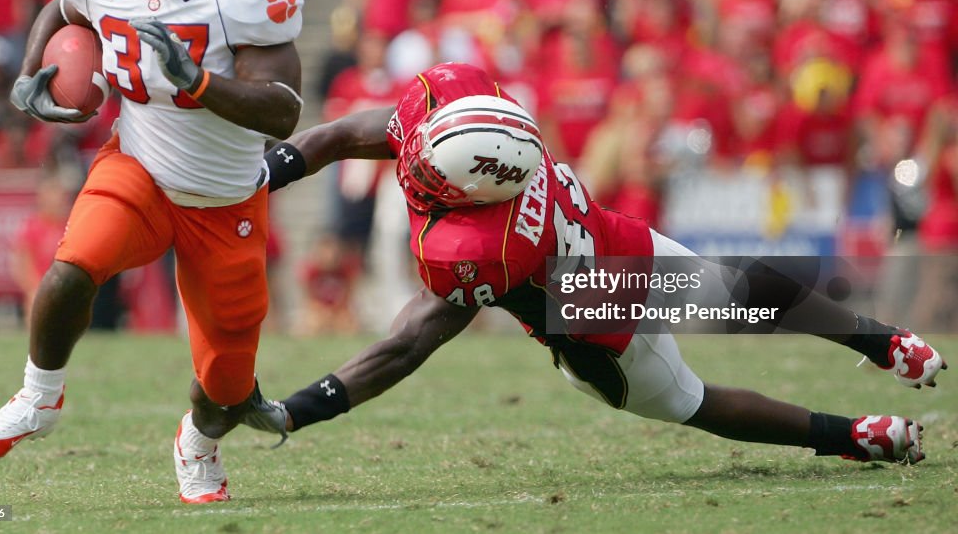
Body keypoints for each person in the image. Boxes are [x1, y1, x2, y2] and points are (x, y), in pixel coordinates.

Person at [256, 62, 946, 465]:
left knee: (698, 396)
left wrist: (299, 409)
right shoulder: (465, 106)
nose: (406, 160)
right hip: (613, 246)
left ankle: (854, 431)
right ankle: (885, 346)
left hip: (589, 316)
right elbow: (352, 132)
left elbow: (405, 346)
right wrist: (271, 169)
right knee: (752, 292)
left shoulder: (476, 246)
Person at [0, 0, 302, 504]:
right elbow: (62, 10)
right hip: (139, 166)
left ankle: (198, 444)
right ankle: (39, 396)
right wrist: (30, 74)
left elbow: (283, 108)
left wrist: (200, 81)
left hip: (223, 194)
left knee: (228, 382)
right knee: (72, 264)